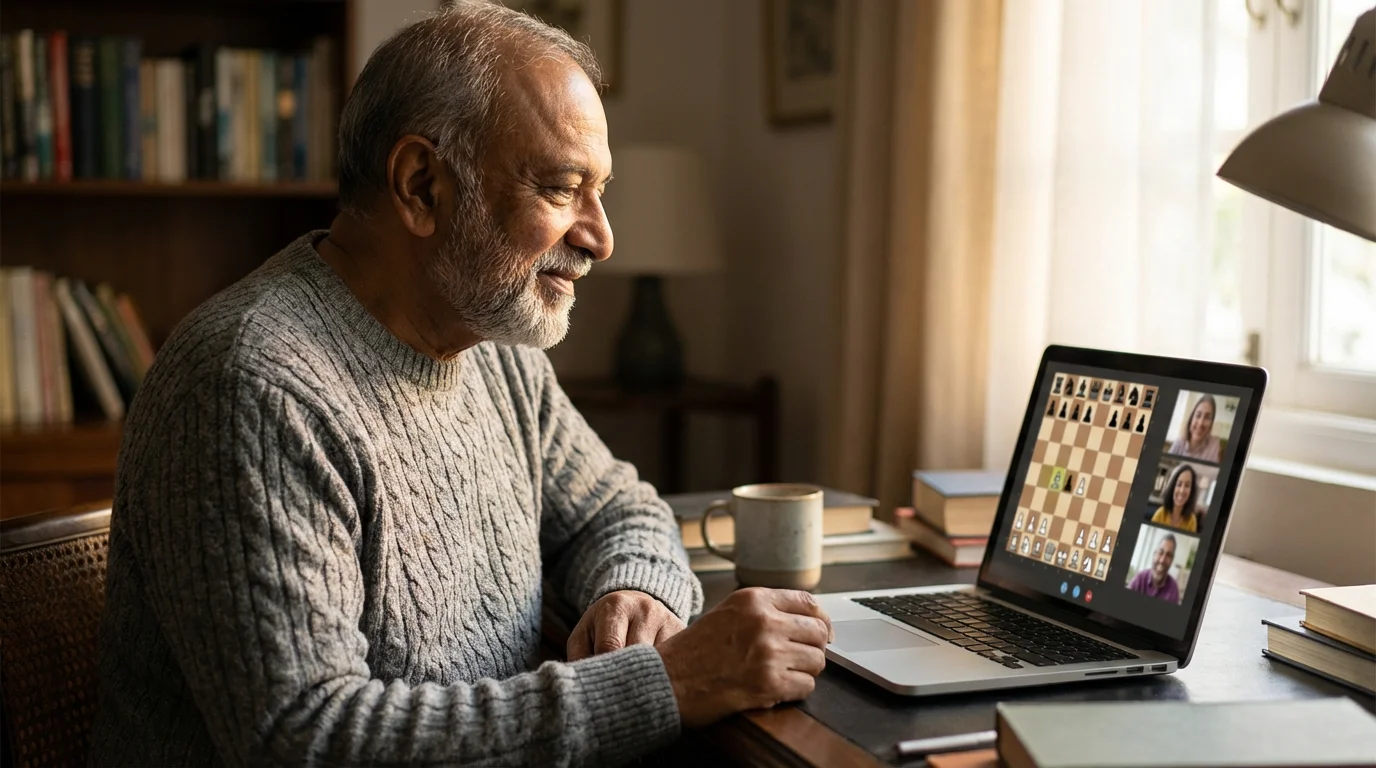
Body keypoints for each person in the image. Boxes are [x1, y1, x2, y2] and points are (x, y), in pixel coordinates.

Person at [89, 5, 833, 766]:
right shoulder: (253, 385)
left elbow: (615, 508)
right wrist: (662, 687)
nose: (601, 237)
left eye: (600, 190)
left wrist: (634, 598)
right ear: (421, 186)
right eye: (560, 188)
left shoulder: (490, 344)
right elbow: (307, 740)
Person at [1128, 534, 1182, 603]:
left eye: (1168, 555)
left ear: (1172, 561)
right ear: (1154, 554)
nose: (1162, 560)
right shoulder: (1140, 578)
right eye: (1160, 552)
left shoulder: (1173, 590)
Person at [1168, 393, 1223, 462]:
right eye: (1198, 415)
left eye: (1207, 417)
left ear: (1211, 423)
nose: (1200, 423)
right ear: (1191, 418)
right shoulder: (1179, 442)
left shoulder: (1214, 446)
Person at [1151, 463, 1200, 533]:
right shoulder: (1160, 514)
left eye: (1187, 485)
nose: (1182, 490)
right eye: (1179, 484)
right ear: (1172, 487)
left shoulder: (1192, 520)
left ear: (1191, 491)